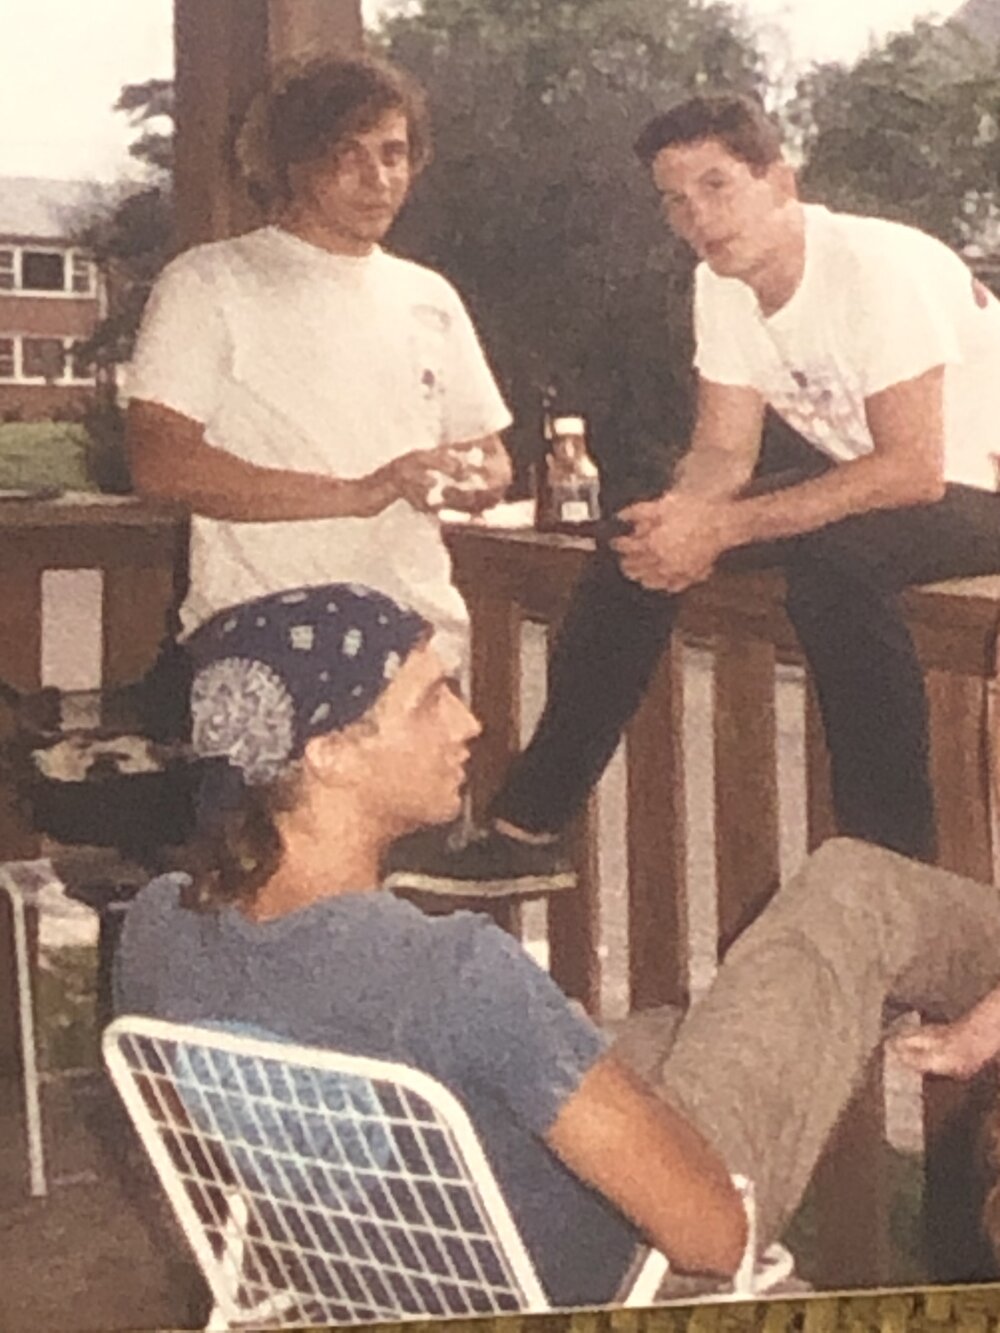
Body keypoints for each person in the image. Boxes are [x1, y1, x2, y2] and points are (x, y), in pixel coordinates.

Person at [114, 581, 1000, 1307]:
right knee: (853, 889)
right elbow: (711, 1234)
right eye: (430, 699)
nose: (468, 724)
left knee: (670, 1028)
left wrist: (561, 1053)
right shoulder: (452, 972)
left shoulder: (159, 927)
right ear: (330, 754)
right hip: (613, 1277)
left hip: (375, 1277)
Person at [386, 91, 1000, 899]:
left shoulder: (874, 268)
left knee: (833, 564)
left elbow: (911, 469)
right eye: (675, 200)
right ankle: (529, 829)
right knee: (631, 545)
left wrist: (724, 528)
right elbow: (721, 449)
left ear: (779, 180)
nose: (697, 217)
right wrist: (684, 523)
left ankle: (892, 864)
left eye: (717, 187)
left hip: (975, 482)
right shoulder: (723, 284)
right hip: (893, 486)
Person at [125, 51, 513, 676]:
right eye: (347, 154)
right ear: (291, 164)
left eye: (393, 153)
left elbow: (489, 455)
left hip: (421, 646)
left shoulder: (429, 296)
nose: (378, 177)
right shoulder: (210, 281)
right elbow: (161, 462)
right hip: (267, 644)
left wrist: (471, 480)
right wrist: (362, 492)